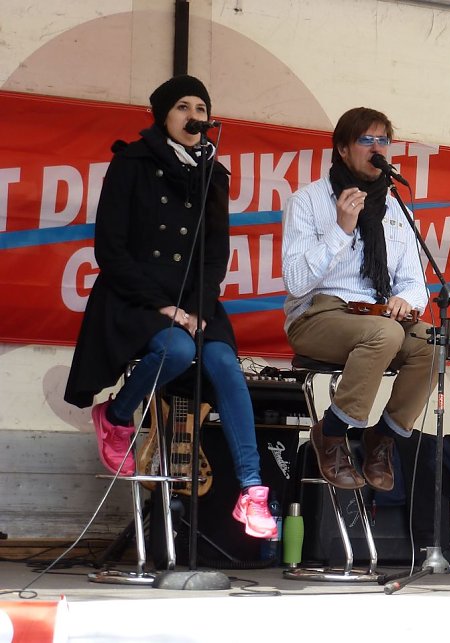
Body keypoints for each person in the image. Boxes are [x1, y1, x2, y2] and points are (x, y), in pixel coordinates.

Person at [64, 75, 277, 540]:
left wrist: (197, 307)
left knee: (224, 362)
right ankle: (116, 415)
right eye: (183, 106)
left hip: (193, 300)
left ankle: (251, 489)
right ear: (163, 114)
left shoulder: (212, 174)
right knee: (177, 351)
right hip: (134, 294)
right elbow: (110, 249)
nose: (194, 117)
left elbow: (214, 254)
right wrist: (163, 306)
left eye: (201, 109)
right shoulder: (131, 163)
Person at [281, 107, 437, 492]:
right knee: (384, 334)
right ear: (343, 150)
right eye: (366, 140)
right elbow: (297, 282)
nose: (376, 147)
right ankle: (331, 434)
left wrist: (405, 300)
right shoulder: (309, 200)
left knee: (435, 344)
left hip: (379, 316)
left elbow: (416, 283)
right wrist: (340, 229)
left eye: (383, 140)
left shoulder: (397, 207)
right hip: (316, 315)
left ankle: (382, 437)